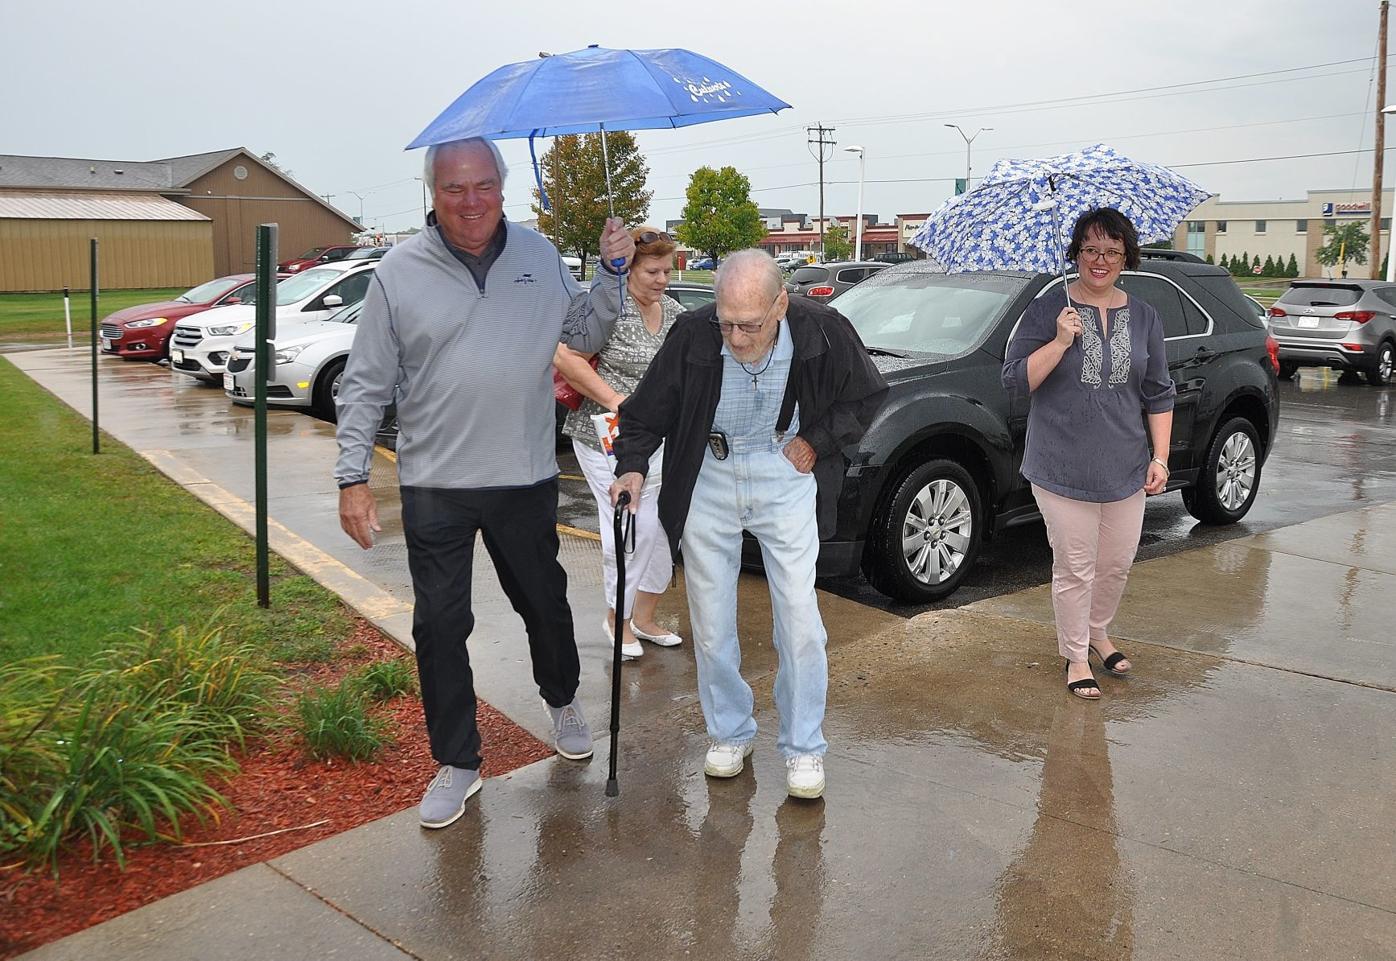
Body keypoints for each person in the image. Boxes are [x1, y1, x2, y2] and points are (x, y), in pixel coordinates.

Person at [334, 136, 636, 828]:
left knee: (544, 604)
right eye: (453, 188)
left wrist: (611, 274)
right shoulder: (398, 272)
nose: (470, 202)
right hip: (434, 481)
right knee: (441, 624)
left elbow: (584, 332)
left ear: (502, 187)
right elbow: (365, 381)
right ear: (432, 193)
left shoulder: (538, 255)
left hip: (523, 473)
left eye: (483, 186)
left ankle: (561, 697)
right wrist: (352, 475)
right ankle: (459, 760)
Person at [609, 249, 888, 800]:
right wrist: (632, 465)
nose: (736, 339)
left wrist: (817, 441)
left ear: (780, 304)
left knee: (800, 619)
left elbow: (867, 396)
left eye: (750, 325)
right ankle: (729, 733)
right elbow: (643, 413)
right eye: (727, 323)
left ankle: (803, 744)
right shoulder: (693, 334)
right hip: (709, 475)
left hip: (783, 469)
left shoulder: (823, 330)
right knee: (711, 623)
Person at [1001, 207, 1175, 700]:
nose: (1101, 260)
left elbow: (1159, 393)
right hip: (1060, 466)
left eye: (1112, 252)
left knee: (1116, 564)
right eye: (1091, 249)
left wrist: (1160, 458)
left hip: (1125, 465)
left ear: (1126, 257)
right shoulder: (1047, 309)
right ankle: (1076, 655)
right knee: (1076, 567)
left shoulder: (1144, 316)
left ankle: (1098, 632)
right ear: (1075, 253)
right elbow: (1015, 380)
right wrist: (1060, 342)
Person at [554, 226, 684, 660]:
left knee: (661, 528)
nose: (662, 279)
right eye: (652, 271)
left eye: (667, 270)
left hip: (654, 437)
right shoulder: (608, 309)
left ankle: (644, 617)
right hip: (602, 435)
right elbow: (564, 356)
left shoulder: (672, 311)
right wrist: (616, 401)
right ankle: (617, 618)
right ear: (629, 269)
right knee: (631, 526)